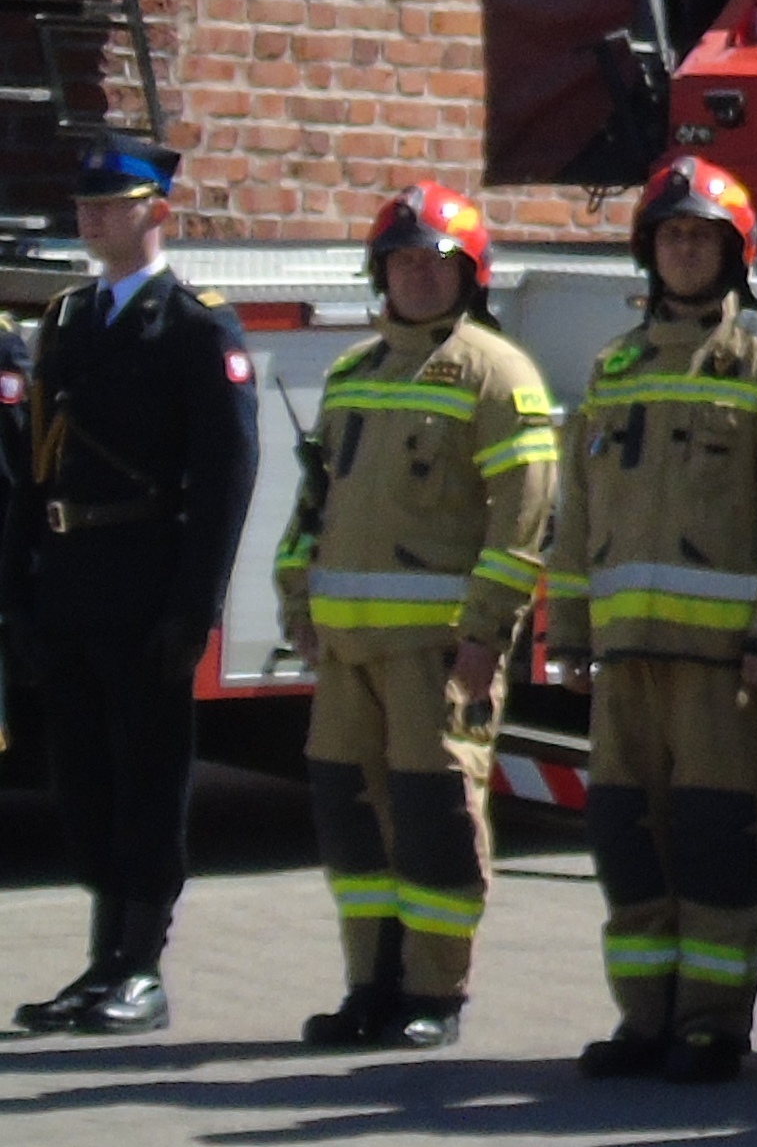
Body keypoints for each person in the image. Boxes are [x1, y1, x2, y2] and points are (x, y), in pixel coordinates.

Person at [548, 157, 757, 1081]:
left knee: (714, 846)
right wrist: (571, 630)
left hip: (721, 668)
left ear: (733, 252)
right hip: (626, 663)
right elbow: (582, 513)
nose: (682, 249)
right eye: (669, 234)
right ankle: (644, 1019)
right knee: (628, 842)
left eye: (699, 236)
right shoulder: (615, 366)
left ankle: (711, 1024)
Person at [264, 185, 558, 1052]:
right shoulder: (356, 372)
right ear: (378, 270)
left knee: (433, 822)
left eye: (436, 262)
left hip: (436, 656)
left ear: (470, 275)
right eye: (401, 260)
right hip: (347, 649)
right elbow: (314, 506)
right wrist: (297, 600)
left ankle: (436, 992)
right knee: (354, 823)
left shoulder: (496, 373)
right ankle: (370, 985)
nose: (417, 276)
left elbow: (525, 515)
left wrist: (485, 631)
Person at [4, 144, 255, 1038]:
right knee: (83, 783)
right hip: (70, 579)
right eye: (84, 205)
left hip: (145, 575)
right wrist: (18, 591)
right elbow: (34, 469)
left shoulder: (193, 326)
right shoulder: (68, 318)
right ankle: (101, 957)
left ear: (158, 213)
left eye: (111, 205)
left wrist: (195, 610)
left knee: (148, 780)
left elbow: (226, 478)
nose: (92, 218)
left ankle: (140, 964)